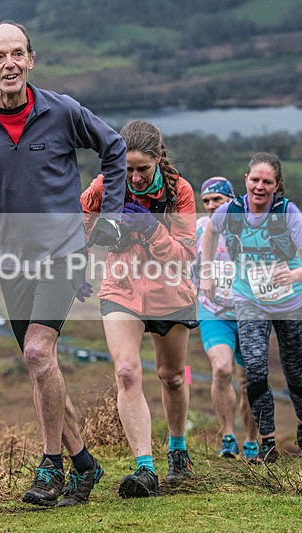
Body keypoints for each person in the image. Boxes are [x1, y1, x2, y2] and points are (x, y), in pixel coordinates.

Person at [0, 20, 126, 507]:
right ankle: (85, 465)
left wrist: (112, 218)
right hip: (11, 261)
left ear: (31, 59)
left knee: (39, 353)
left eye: (17, 53)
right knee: (42, 365)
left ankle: (50, 467)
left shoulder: (62, 111)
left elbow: (115, 148)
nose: (9, 63)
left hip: (63, 253)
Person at [81, 120, 197, 498]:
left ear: (158, 158)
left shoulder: (179, 192)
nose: (134, 177)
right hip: (122, 287)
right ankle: (144, 468)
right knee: (127, 372)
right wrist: (76, 266)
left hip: (170, 292)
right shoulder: (104, 186)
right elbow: (77, 225)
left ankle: (177, 449)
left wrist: (152, 230)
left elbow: (185, 255)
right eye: (127, 168)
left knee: (171, 376)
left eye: (142, 169)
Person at [199, 153, 302, 463]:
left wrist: (292, 275)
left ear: (276, 185)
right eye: (254, 180)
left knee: (294, 369)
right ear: (245, 180)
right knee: (254, 369)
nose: (259, 186)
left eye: (267, 182)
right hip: (250, 300)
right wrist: (207, 272)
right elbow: (211, 231)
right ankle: (267, 441)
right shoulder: (231, 211)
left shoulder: (288, 213)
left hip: (290, 302)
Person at [195, 177, 259, 462]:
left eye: (216, 200)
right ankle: (228, 435)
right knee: (221, 369)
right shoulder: (198, 229)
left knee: (250, 381)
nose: (210, 206)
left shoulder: (248, 228)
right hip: (213, 311)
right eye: (206, 201)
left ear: (231, 202)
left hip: (248, 313)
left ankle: (253, 440)